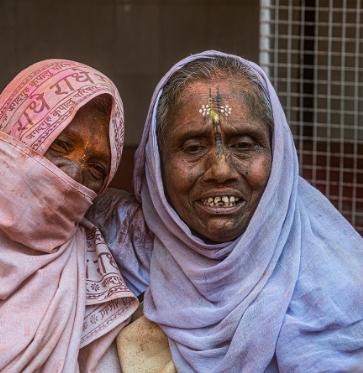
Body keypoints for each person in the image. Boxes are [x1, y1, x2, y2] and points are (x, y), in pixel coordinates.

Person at [86, 51, 363, 372]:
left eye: (244, 144)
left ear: (279, 157)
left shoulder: (342, 285)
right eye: (193, 147)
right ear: (155, 165)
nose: (220, 170)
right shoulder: (110, 249)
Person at [0, 59, 137, 372]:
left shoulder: (93, 281)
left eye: (97, 169)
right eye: (61, 145)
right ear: (11, 132)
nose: (73, 175)